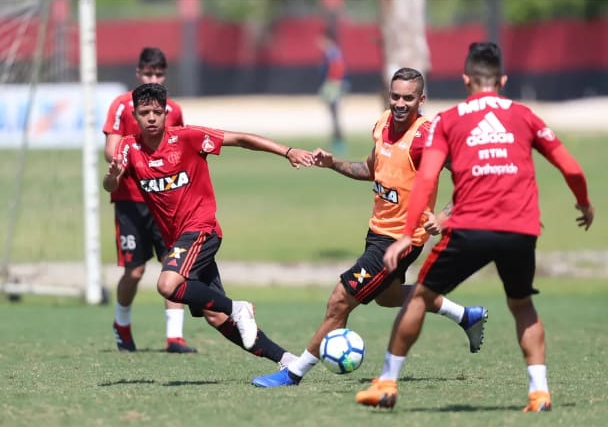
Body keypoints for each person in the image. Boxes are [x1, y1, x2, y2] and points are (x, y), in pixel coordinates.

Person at [355, 42, 595, 412]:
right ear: (502, 79)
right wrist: (583, 203)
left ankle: (386, 383)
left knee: (418, 297)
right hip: (520, 228)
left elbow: (427, 179)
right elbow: (573, 168)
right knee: (522, 306)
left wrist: (405, 236)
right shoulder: (525, 116)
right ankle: (539, 393)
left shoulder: (448, 120)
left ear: (466, 79)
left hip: (470, 228)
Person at [251, 67, 488, 389]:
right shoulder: (382, 124)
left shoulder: (426, 136)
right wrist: (333, 163)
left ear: (422, 99)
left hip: (400, 240)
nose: (400, 103)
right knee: (388, 297)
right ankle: (465, 315)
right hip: (377, 231)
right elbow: (371, 169)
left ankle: (293, 372)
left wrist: (444, 217)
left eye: (408, 97)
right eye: (395, 96)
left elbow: (467, 175)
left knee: (339, 300)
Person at [103, 83, 315, 368]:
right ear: (136, 116)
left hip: (201, 230)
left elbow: (240, 139)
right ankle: (287, 360)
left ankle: (239, 307)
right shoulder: (129, 147)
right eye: (144, 113)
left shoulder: (188, 138)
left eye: (157, 112)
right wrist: (113, 177)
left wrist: (287, 151)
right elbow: (109, 185)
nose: (151, 118)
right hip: (178, 240)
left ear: (166, 113)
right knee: (215, 316)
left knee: (167, 285)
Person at [103, 47, 196, 353]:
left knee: (172, 264)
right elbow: (111, 150)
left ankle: (175, 337)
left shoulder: (174, 110)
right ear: (138, 73)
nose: (152, 78)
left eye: (158, 74)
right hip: (130, 200)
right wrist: (126, 164)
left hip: (165, 201)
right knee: (135, 271)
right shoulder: (121, 106)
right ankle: (122, 323)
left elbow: (181, 148)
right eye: (148, 73)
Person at [317, 31, 348, 156]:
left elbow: (338, 69)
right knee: (333, 114)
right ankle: (336, 140)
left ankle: (338, 141)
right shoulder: (331, 53)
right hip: (332, 85)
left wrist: (332, 85)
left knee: (335, 114)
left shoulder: (333, 53)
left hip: (333, 85)